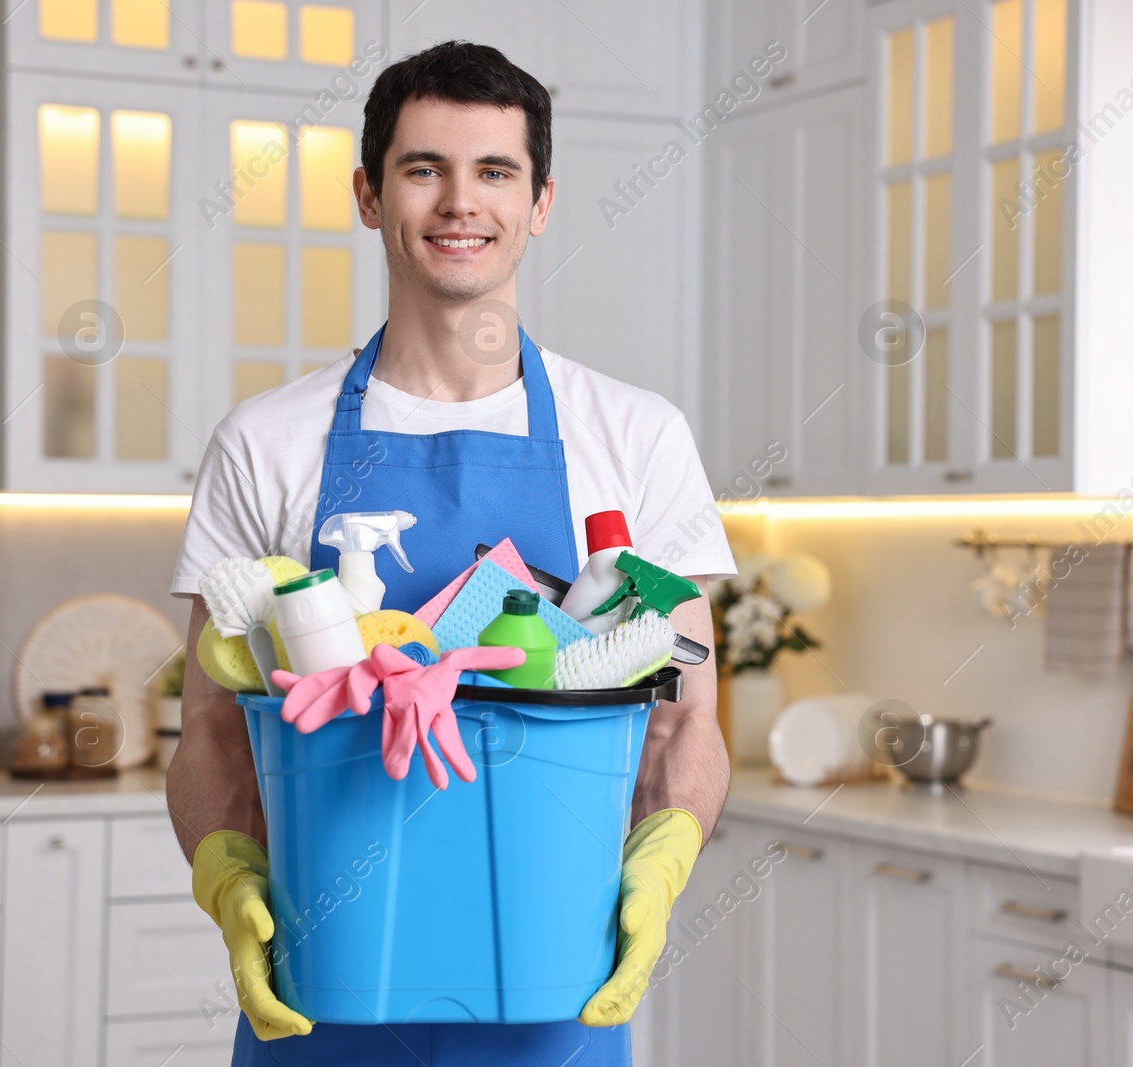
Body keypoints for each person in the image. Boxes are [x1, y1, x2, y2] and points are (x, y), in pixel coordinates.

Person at [167, 40, 735, 1067]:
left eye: (495, 172)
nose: (458, 202)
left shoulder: (636, 432)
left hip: (550, 985)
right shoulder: (266, 437)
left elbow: (687, 714)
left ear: (542, 201)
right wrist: (225, 865)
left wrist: (664, 854)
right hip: (321, 988)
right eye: (423, 168)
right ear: (368, 194)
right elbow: (209, 722)